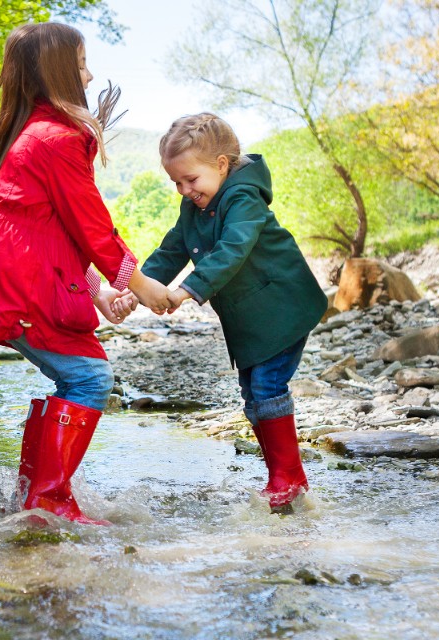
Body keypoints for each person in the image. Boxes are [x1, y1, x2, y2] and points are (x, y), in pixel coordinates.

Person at [0, 23, 174, 526]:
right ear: (56, 72)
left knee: (76, 374)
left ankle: (33, 496)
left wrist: (95, 291)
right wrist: (141, 285)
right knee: (89, 377)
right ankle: (45, 500)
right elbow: (92, 226)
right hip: (20, 277)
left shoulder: (37, 135)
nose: (91, 75)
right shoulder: (57, 138)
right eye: (82, 64)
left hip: (15, 270)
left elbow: (58, 228)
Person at [114, 113, 327, 513]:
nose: (184, 189)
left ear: (222, 166)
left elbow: (233, 250)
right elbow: (171, 250)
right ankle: (288, 477)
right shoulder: (193, 207)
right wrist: (137, 292)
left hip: (283, 307)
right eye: (176, 182)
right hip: (251, 317)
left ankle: (287, 479)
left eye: (190, 180)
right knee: (253, 393)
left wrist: (185, 291)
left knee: (267, 388)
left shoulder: (243, 199)